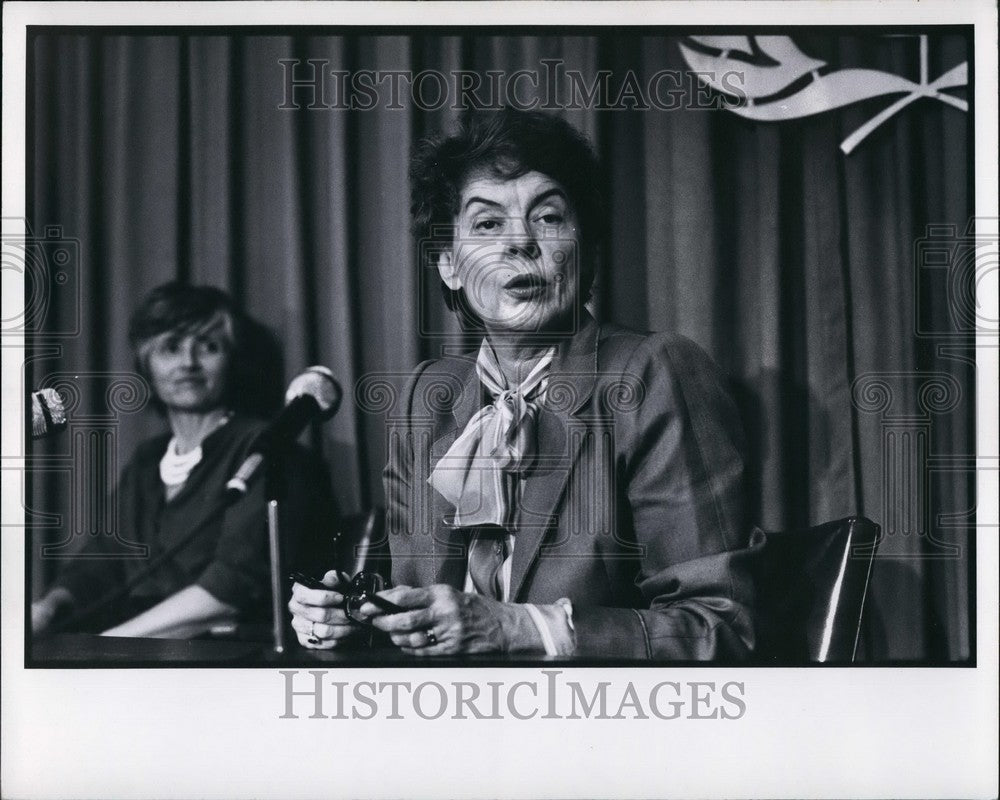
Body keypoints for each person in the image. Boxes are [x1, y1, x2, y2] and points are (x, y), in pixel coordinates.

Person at [289, 108, 757, 660]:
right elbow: (422, 614)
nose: (521, 243)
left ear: (586, 250)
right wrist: (355, 618)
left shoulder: (655, 373)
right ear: (449, 264)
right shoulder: (425, 398)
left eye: (549, 217)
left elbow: (718, 628)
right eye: (488, 224)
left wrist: (516, 628)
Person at [32, 282, 335, 639]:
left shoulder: (265, 449)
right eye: (171, 347)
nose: (188, 363)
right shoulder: (147, 461)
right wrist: (45, 609)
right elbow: (101, 564)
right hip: (139, 647)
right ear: (146, 363)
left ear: (232, 360)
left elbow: (230, 590)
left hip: (224, 652)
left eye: (208, 347)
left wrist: (108, 646)